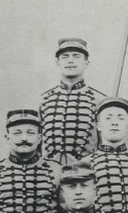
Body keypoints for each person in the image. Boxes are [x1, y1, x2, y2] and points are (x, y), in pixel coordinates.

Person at [39, 37, 105, 165]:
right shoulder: (43, 100)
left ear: (87, 62)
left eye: (76, 56)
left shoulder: (99, 100)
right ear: (57, 62)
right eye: (65, 56)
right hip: (49, 175)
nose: (70, 60)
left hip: (86, 174)